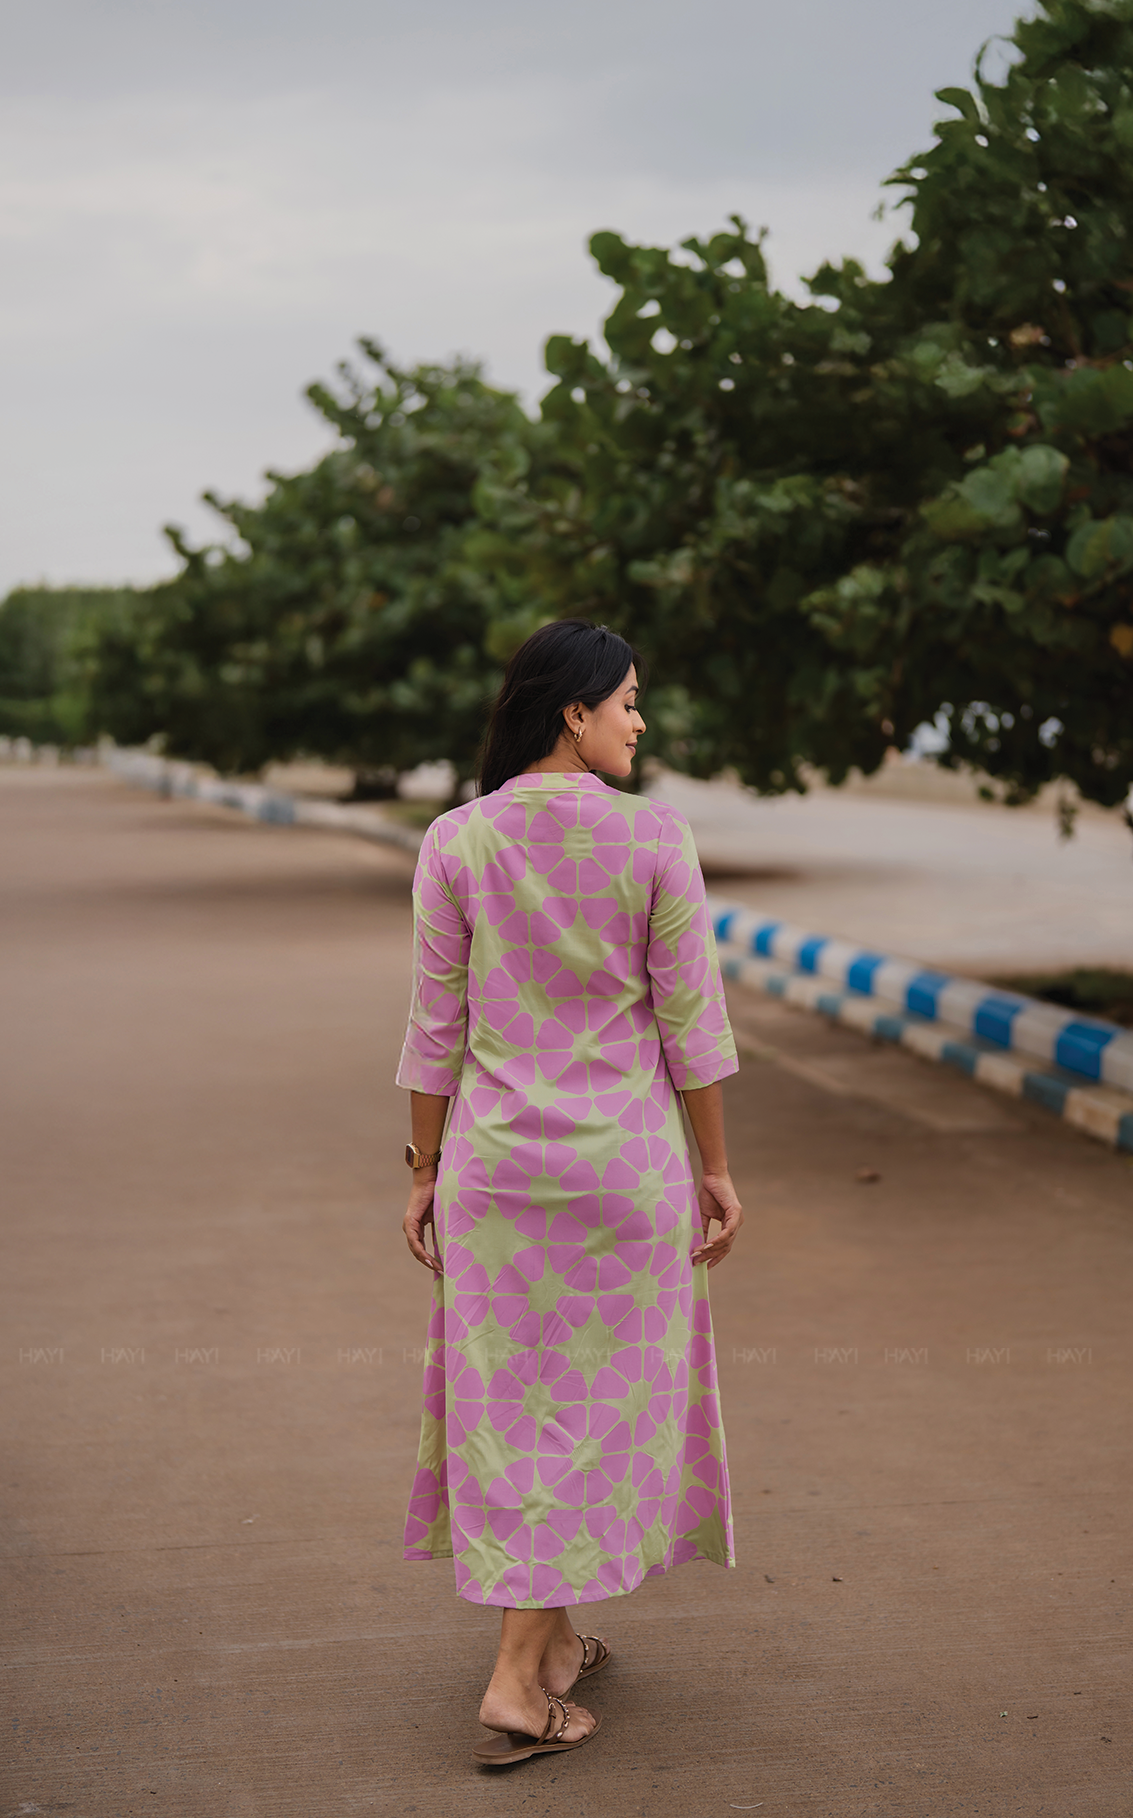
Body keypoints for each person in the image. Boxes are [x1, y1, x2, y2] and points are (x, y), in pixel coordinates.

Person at [397, 619, 743, 1766]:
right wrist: (716, 1169)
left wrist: (423, 1171)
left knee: (514, 1409)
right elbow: (692, 1025)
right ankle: (515, 1680)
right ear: (573, 712)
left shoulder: (457, 840)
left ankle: (551, 1644)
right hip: (623, 1173)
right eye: (628, 701)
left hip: (496, 1174)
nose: (640, 720)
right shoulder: (656, 839)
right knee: (599, 1410)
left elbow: (434, 1030)